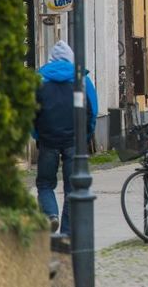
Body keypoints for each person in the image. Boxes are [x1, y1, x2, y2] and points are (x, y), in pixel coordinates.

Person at [34, 40, 98, 236]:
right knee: (73, 188)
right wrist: (85, 136)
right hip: (73, 142)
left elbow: (29, 112)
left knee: (45, 184)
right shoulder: (81, 79)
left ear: (52, 59)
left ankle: (51, 214)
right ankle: (68, 234)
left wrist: (37, 134)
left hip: (47, 141)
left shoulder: (39, 79)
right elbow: (93, 110)